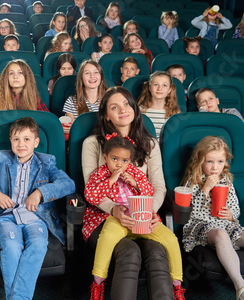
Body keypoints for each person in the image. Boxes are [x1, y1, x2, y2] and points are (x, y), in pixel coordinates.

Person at [82, 86, 174, 300]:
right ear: (106, 116)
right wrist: (113, 209)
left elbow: (159, 186)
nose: (122, 110)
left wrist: (149, 210)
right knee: (130, 252)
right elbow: (91, 189)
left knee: (158, 253)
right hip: (104, 218)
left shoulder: (149, 144)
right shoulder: (92, 144)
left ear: (134, 108)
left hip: (143, 216)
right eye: (114, 107)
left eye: (126, 104)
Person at [0, 116, 75, 300]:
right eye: (16, 139)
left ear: (36, 142)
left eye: (27, 139)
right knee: (11, 245)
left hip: (36, 217)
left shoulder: (46, 162)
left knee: (38, 244)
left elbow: (68, 184)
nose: (21, 144)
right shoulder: (0, 159)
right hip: (5, 217)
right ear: (10, 141)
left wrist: (41, 192)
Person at [86, 135, 185, 299]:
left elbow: (150, 192)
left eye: (124, 161)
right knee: (107, 237)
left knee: (171, 240)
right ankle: (98, 282)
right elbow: (91, 195)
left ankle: (177, 286)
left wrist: (136, 184)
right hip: (119, 218)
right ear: (105, 158)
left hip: (140, 217)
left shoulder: (134, 173)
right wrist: (110, 181)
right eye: (114, 159)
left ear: (130, 161)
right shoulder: (100, 173)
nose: (119, 164)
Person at [181, 136, 244, 300]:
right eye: (209, 161)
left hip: (224, 223)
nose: (215, 167)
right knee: (220, 234)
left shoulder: (227, 181)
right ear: (200, 161)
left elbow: (235, 208)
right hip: (200, 226)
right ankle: (240, 286)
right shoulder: (193, 180)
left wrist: (230, 214)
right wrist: (206, 190)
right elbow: (191, 213)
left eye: (220, 162)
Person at [0, 60, 49, 127]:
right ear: (6, 78)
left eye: (20, 73)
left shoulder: (33, 97)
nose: (15, 77)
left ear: (27, 77)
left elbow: (48, 120)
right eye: (11, 73)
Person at [138, 71, 181, 138]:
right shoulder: (139, 110)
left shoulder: (175, 112)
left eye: (164, 85)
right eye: (156, 84)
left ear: (169, 89)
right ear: (150, 88)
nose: (159, 88)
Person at [63, 60, 107, 124]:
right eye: (87, 73)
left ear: (101, 76)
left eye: (96, 72)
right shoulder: (71, 102)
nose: (92, 76)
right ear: (81, 78)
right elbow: (72, 130)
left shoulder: (109, 99)